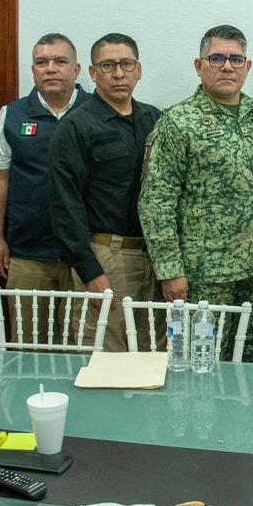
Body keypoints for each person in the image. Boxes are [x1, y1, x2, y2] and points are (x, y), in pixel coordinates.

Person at [139, 25, 253, 362]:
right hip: (204, 278)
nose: (227, 67)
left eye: (236, 59)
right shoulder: (178, 121)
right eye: (217, 58)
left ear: (247, 67)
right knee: (200, 366)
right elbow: (156, 201)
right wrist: (170, 270)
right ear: (199, 65)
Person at [48, 33, 160, 351]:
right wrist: (90, 272)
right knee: (105, 357)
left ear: (139, 70)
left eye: (127, 64)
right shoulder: (76, 127)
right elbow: (64, 205)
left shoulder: (155, 119)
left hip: (154, 260)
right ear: (93, 73)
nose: (119, 73)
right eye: (108, 65)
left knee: (153, 354)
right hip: (106, 258)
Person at [0, 33, 90, 340]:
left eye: (60, 61)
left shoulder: (96, 111)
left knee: (83, 347)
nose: (51, 69)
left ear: (77, 69)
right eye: (42, 62)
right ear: (33, 70)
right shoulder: (12, 114)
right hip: (27, 253)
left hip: (87, 255)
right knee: (28, 348)